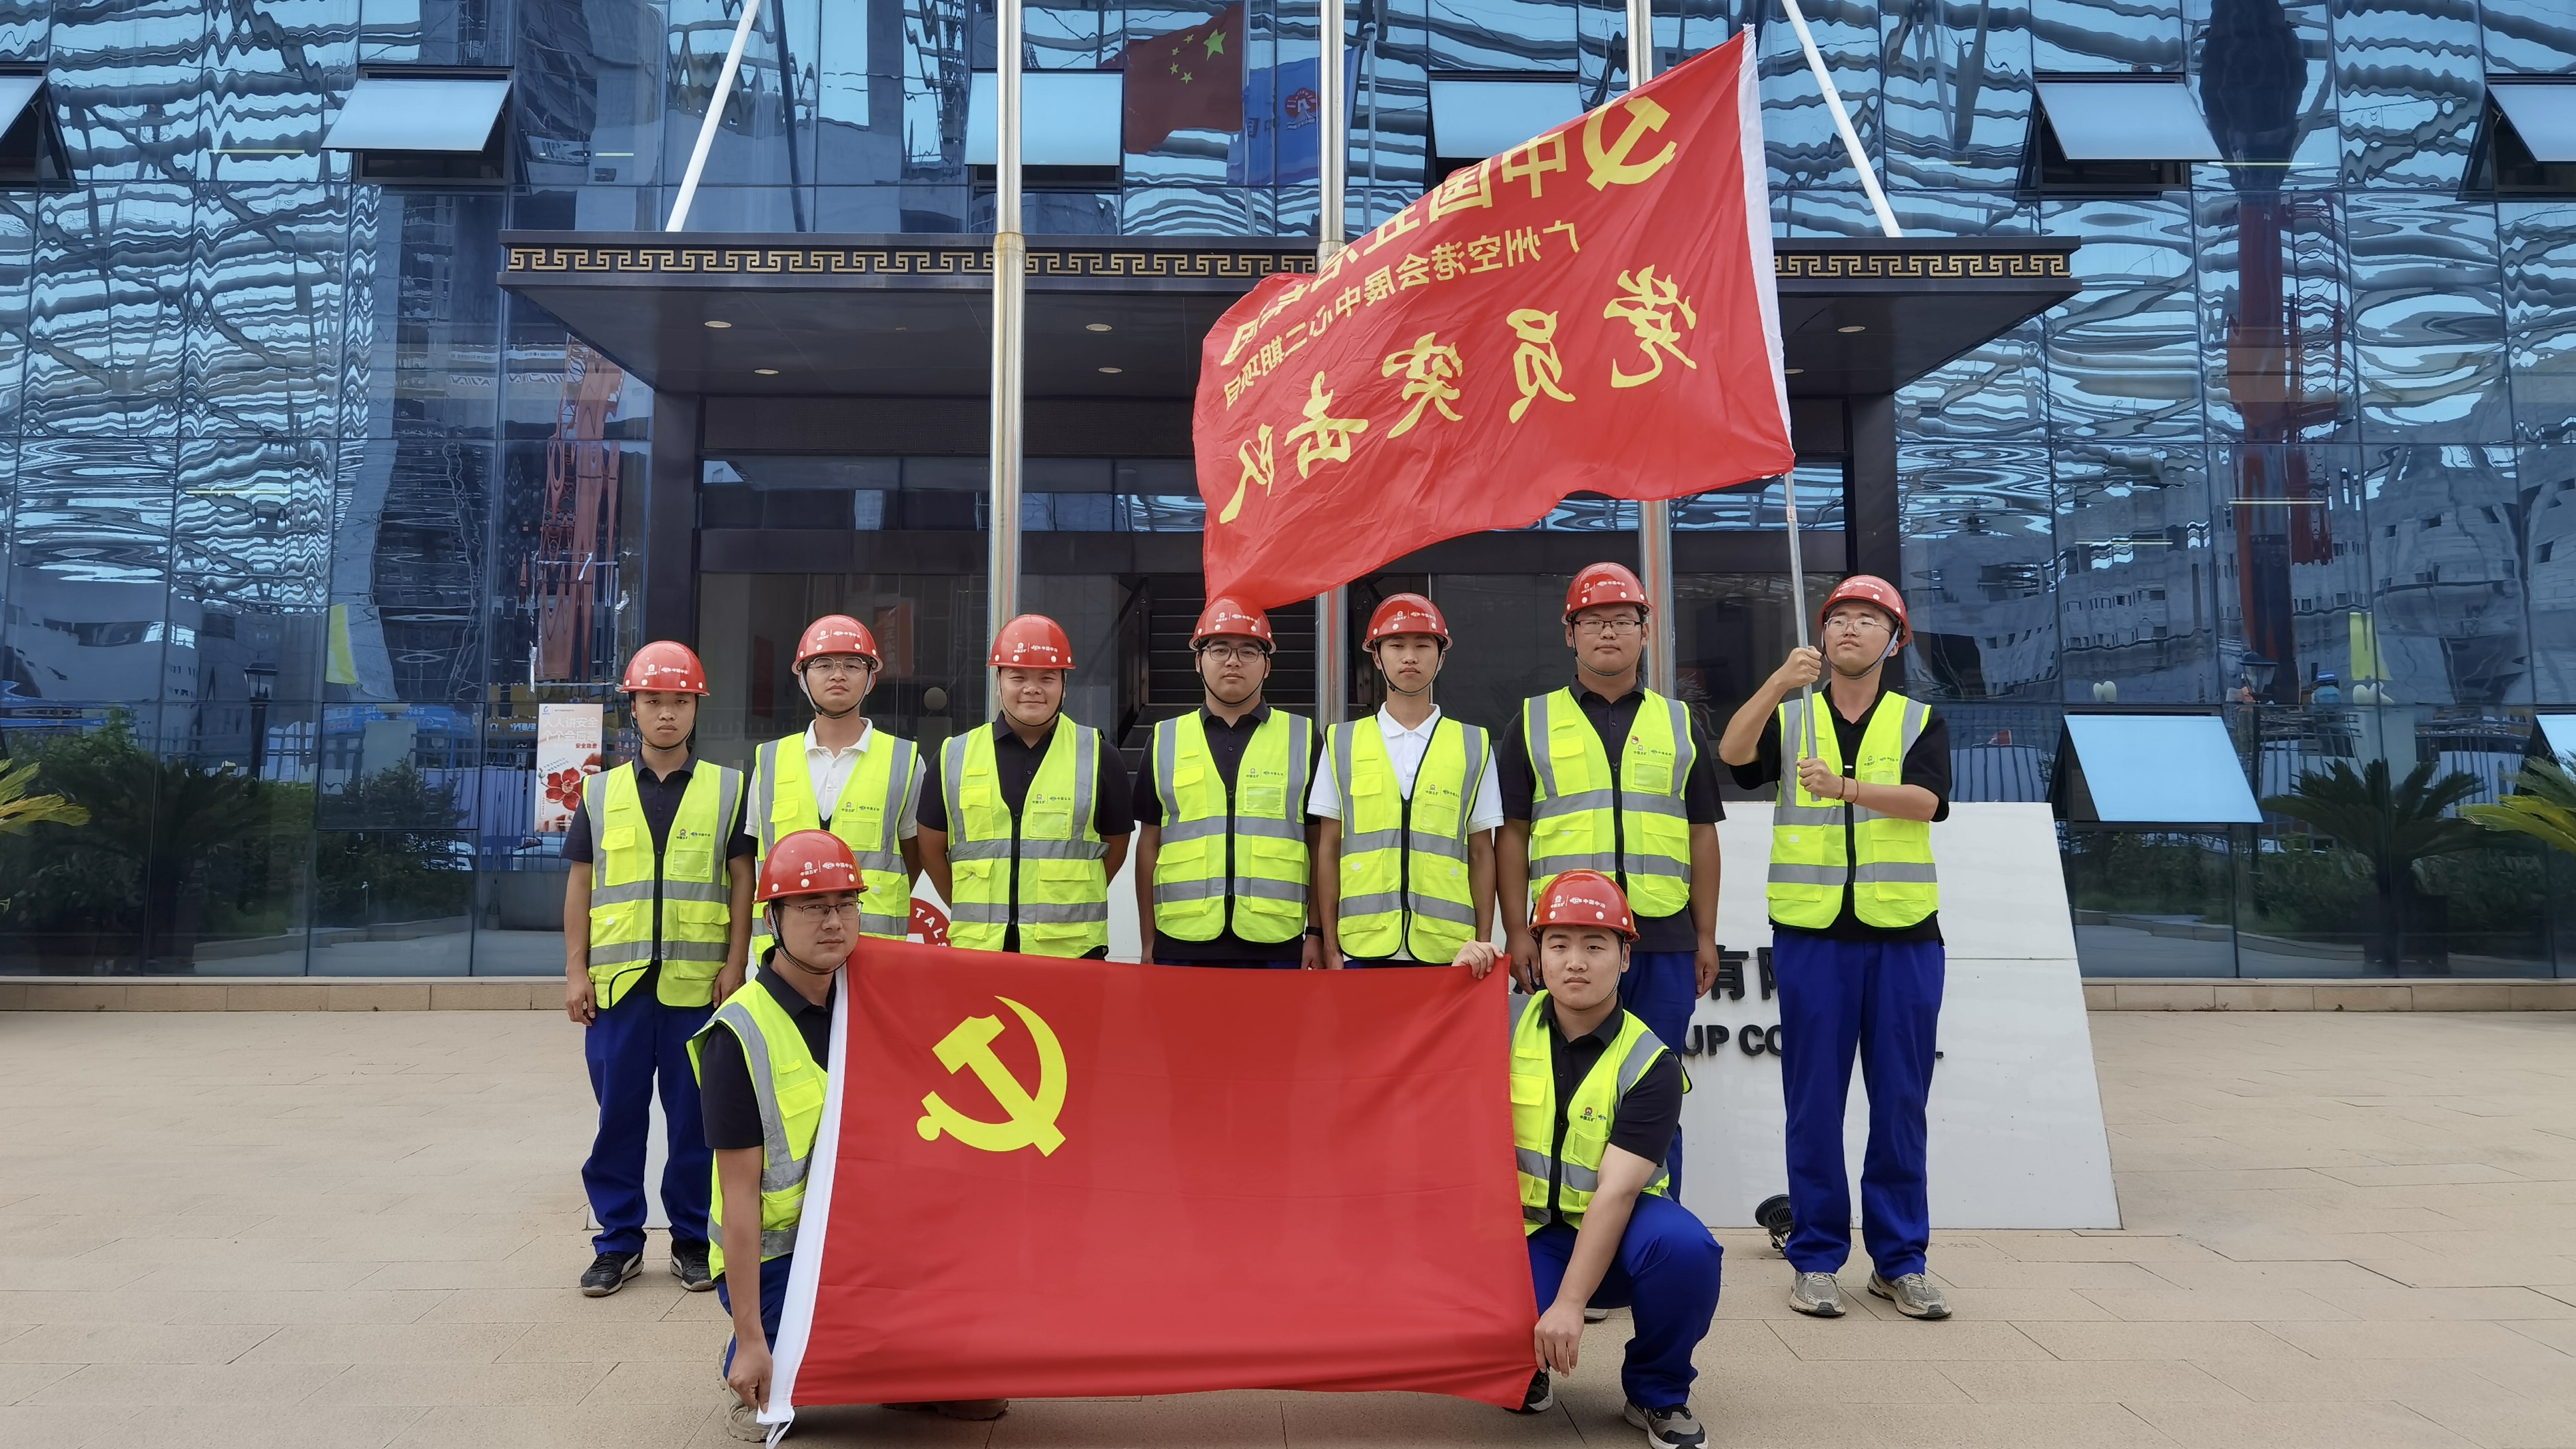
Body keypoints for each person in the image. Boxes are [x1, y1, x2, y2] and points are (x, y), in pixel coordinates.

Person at [692, 830, 1007, 1440]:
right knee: (780, 1389)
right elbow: (739, 1200)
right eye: (812, 906)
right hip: (784, 1259)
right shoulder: (740, 1034)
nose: (833, 921)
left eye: (845, 903)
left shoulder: (877, 998)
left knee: (981, 1395)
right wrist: (753, 1338)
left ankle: (895, 1360)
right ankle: (752, 1351)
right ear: (773, 919)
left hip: (873, 1243)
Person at [1716, 575, 1953, 1322]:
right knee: (1813, 1102)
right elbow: (1732, 752)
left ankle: (1900, 1262)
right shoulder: (1794, 718)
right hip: (1813, 937)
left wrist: (1845, 788)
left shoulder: (1918, 720)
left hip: (1903, 936)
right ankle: (1816, 1257)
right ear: (1820, 636)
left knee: (1901, 1103)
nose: (1851, 628)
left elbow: (1928, 803)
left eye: (1869, 619)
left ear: (1896, 640)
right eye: (1839, 617)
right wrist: (1776, 683)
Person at [1457, 871, 1719, 1449]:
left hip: (1621, 1234)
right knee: (1484, 1317)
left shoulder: (1649, 1062)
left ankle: (1657, 1390)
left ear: (1624, 958)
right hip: (1525, 1235)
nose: (1575, 961)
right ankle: (1522, 1366)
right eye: (1558, 944)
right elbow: (1418, 1060)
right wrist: (1455, 983)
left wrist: (1571, 1303)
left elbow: (1618, 1191)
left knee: (1686, 1250)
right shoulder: (1497, 1022)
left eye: (1595, 945)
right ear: (1538, 954)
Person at [1496, 562, 1725, 1194]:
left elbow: (1701, 833)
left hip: (1663, 936)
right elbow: (1511, 834)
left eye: (1622, 620)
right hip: (1569, 940)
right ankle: (1563, 1228)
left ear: (1645, 632)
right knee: (1560, 1091)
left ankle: (1652, 1229)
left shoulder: (1679, 723)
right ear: (1569, 632)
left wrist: (1705, 934)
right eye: (1592, 620)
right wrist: (1517, 931)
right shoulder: (1530, 722)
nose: (1607, 632)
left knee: (1656, 1086)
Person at [562, 641, 755, 1298]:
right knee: (617, 1118)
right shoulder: (599, 791)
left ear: (696, 707)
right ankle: (617, 1242)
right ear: (634, 707)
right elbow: (581, 884)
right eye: (653, 701)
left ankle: (692, 1239)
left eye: (679, 701)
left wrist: (735, 964)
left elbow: (742, 880)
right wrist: (575, 971)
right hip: (617, 990)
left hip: (698, 988)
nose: (666, 713)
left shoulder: (728, 789)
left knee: (696, 1120)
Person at [917, 614, 1132, 957]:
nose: (1032, 688)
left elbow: (1116, 849)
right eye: (1018, 677)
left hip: (1073, 952)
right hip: (980, 951)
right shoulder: (952, 756)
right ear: (998, 680)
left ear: (1064, 684)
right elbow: (930, 850)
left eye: (1047, 677)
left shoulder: (1100, 756)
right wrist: (971, 910)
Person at [1133, 597, 1328, 969]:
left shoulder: (1304, 738)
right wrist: (1148, 941)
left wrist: (1316, 934)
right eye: (1220, 649)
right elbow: (1149, 845)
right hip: (1181, 943)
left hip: (1277, 943)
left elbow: (1318, 843)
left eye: (1248, 651)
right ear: (1198, 661)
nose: (1233, 661)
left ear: (1267, 665)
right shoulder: (1164, 739)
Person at [1310, 592, 1503, 967]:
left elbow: (1482, 853)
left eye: (1423, 645)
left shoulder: (1473, 744)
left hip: (1449, 952)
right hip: (1361, 948)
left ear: (1441, 657)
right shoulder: (1341, 743)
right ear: (1377, 656)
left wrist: (1482, 944)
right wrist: (1332, 948)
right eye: (1396, 645)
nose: (1410, 657)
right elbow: (1329, 849)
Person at [745, 614, 924, 960]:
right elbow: (752, 860)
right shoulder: (769, 760)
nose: (838, 675)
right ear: (802, 678)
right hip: (784, 953)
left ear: (870, 679)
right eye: (823, 664)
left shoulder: (904, 760)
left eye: (852, 665)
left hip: (872, 949)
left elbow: (913, 858)